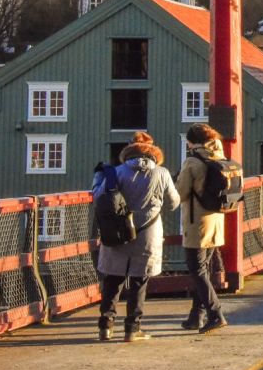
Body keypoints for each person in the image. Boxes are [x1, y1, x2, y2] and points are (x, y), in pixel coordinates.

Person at [96, 132, 179, 343]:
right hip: (147, 232)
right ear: (154, 153)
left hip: (117, 232)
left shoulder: (115, 172)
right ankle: (132, 329)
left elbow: (98, 196)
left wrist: (98, 178)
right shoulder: (162, 173)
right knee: (139, 281)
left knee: (113, 279)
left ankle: (106, 326)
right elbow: (173, 203)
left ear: (128, 151)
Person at [175, 124, 229, 333]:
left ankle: (215, 314)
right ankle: (196, 316)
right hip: (216, 219)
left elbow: (181, 193)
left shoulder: (192, 161)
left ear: (192, 142)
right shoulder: (218, 156)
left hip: (197, 222)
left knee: (196, 269)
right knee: (203, 269)